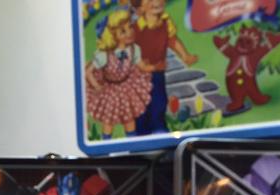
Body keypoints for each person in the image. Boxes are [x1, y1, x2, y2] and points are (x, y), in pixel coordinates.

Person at [130, 0, 199, 134]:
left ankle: (159, 128)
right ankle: (141, 133)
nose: (157, 2)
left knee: (159, 101)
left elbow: (172, 40)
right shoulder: (136, 27)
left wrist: (185, 55)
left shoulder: (166, 22)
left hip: (158, 72)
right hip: (138, 76)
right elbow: (128, 49)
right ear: (140, 7)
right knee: (140, 106)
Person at [85, 8, 153, 140]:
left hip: (127, 86)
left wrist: (153, 67)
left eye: (130, 27)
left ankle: (132, 142)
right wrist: (97, 86)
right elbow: (88, 72)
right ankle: (106, 143)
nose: (129, 33)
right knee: (108, 120)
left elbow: (141, 66)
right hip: (110, 88)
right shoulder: (104, 54)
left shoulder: (134, 49)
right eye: (123, 31)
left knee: (129, 118)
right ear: (112, 35)